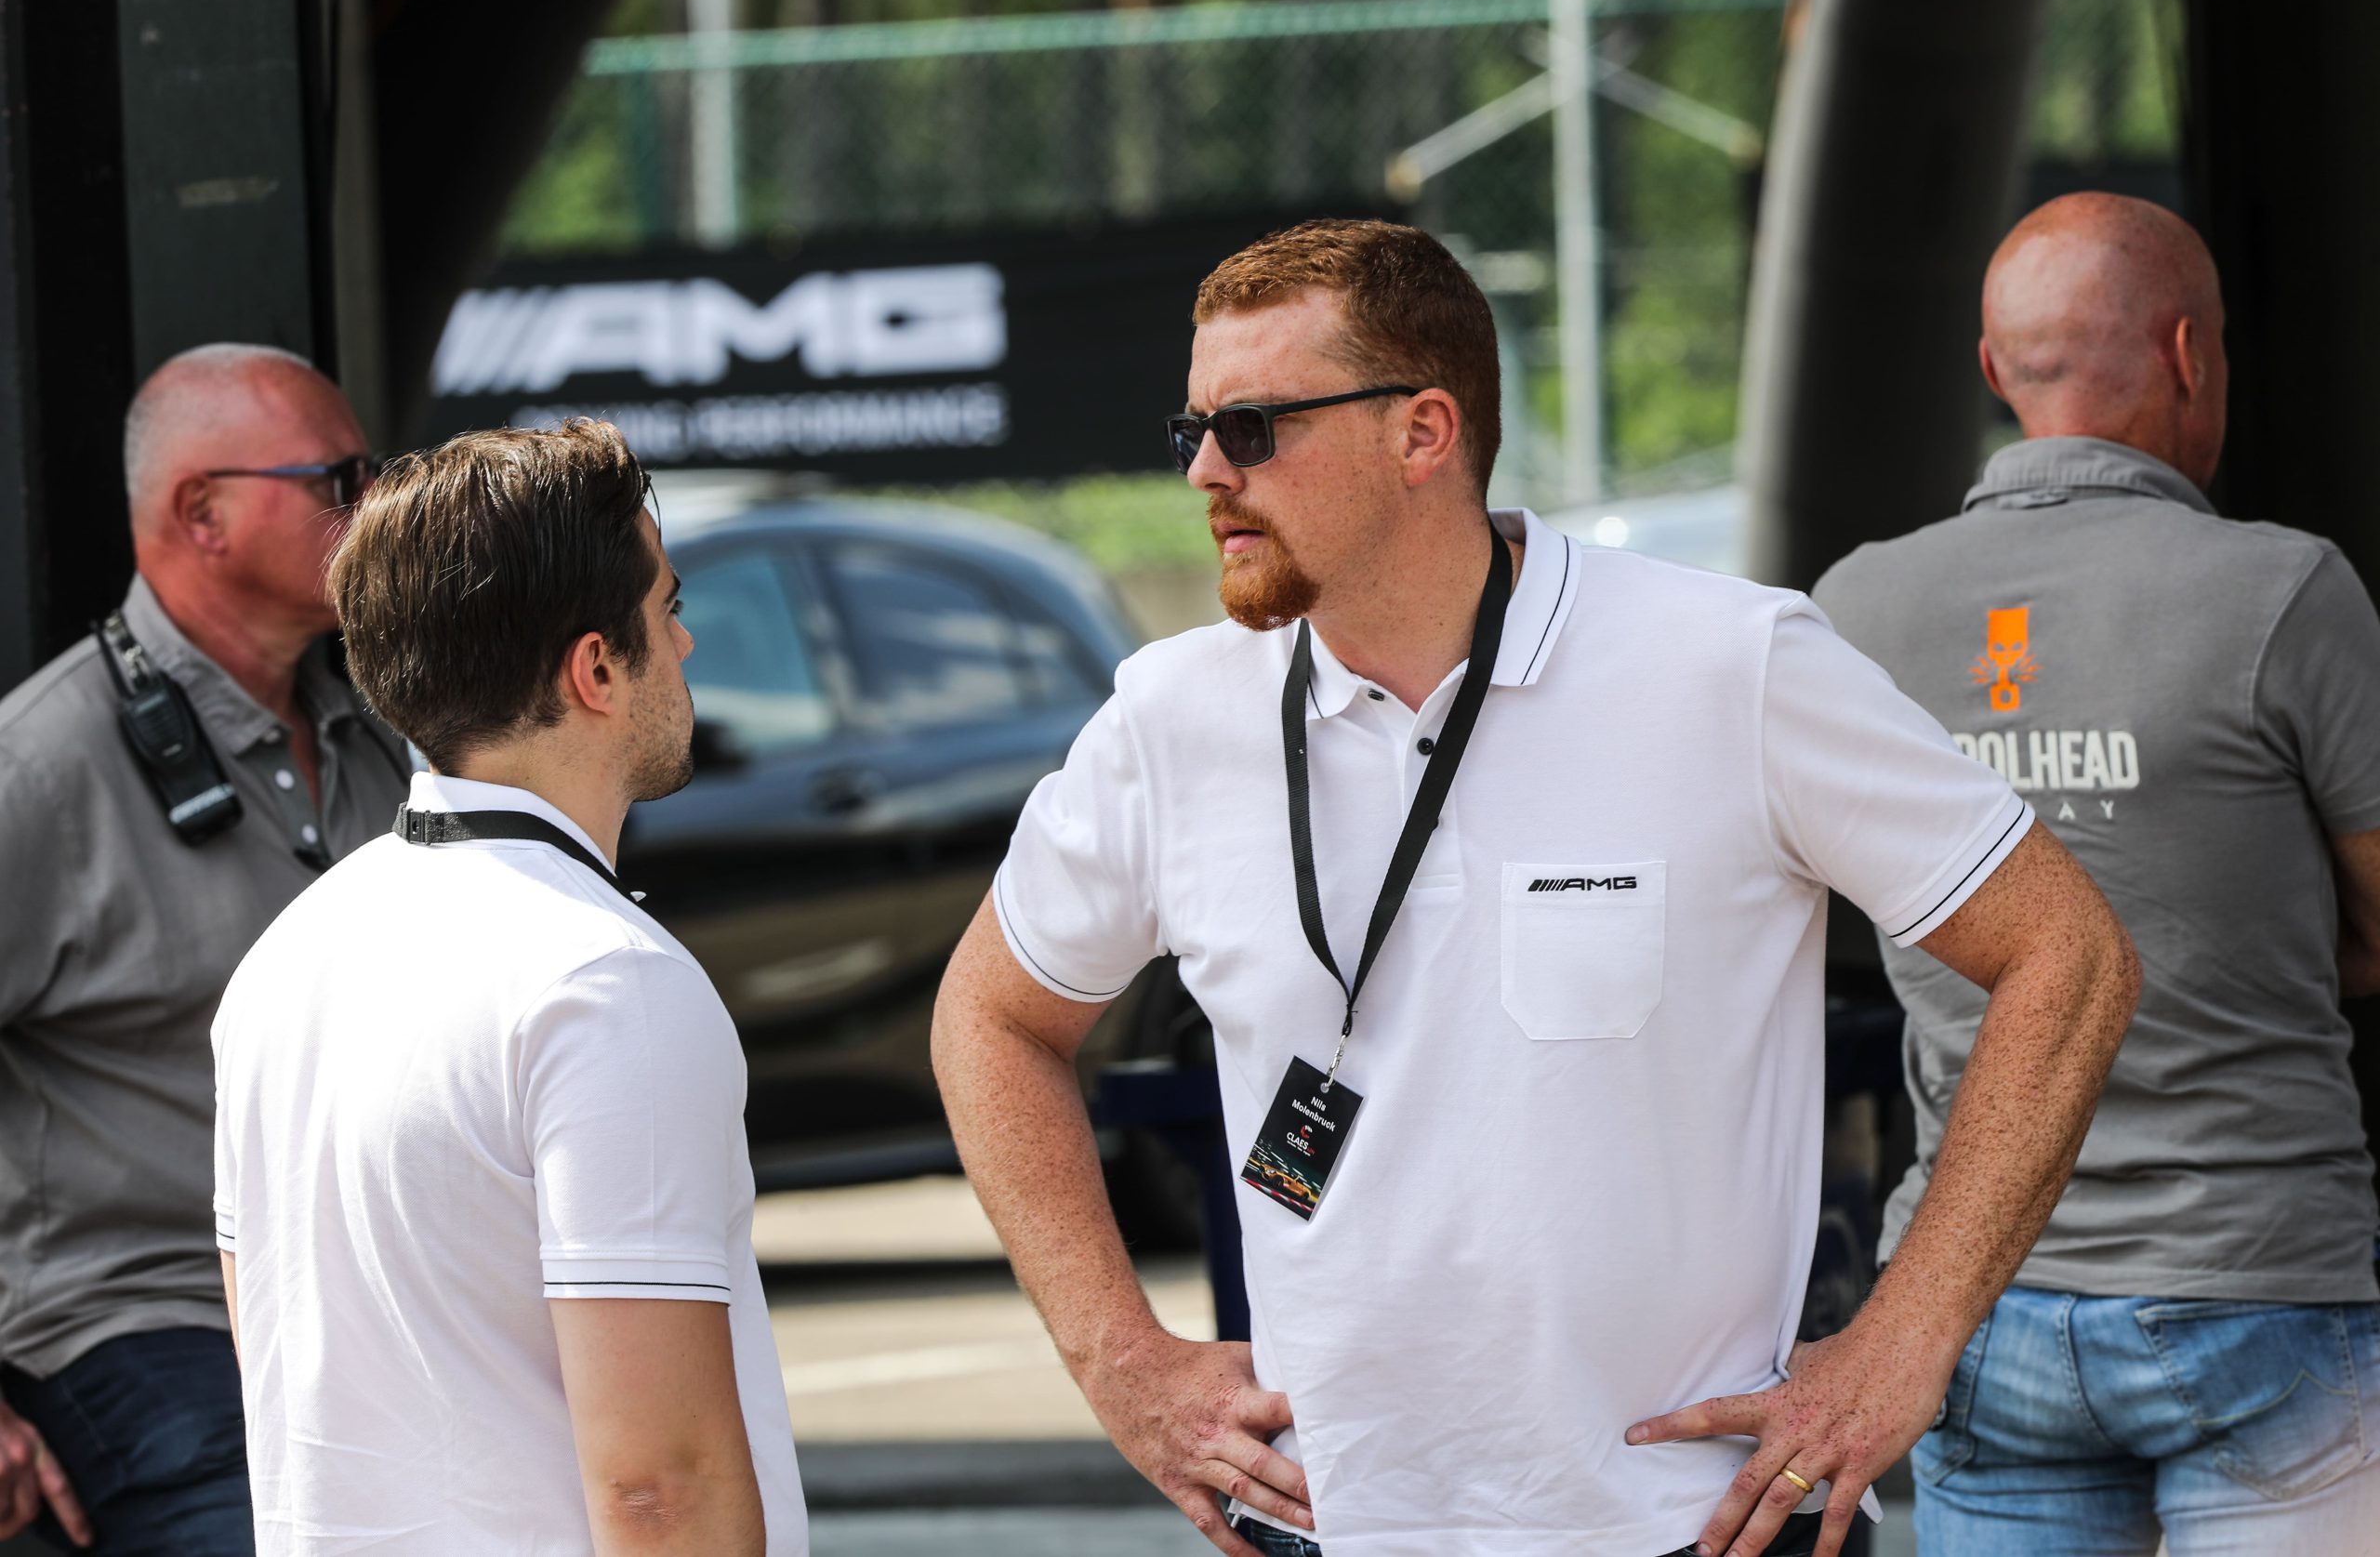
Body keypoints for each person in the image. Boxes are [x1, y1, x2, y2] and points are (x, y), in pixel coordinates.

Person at [932, 218, 2140, 1557]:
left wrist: (1908, 1338)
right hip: (1326, 1525)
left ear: (1423, 432)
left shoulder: (1728, 665)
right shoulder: (1171, 718)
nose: (1208, 470)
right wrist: (1121, 1361)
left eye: (1254, 426)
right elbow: (991, 1017)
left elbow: (2065, 952)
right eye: (1194, 429)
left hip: (1694, 1526)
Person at [1813, 191, 2380, 1553]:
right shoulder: (2287, 592)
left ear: (1994, 367)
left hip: (1974, 1299)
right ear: (2191, 354)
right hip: (2254, 1286)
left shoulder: (1849, 611)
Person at [209, 419, 805, 1556]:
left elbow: (281, 1375)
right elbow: (660, 1491)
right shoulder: (609, 985)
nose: (685, 643)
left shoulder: (283, 959)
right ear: (596, 669)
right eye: (667, 608)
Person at [0, 343, 410, 1554]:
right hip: (149, 1325)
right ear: (202, 514)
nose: (374, 504)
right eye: (336, 479)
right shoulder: (38, 768)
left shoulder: (388, 735)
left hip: (376, 1316)